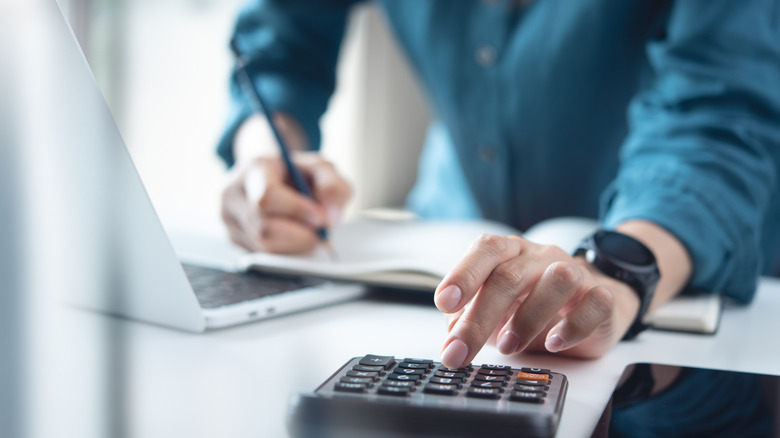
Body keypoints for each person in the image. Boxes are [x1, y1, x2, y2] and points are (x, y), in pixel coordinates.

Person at [218, 0, 780, 368]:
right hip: (444, 236)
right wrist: (267, 157)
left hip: (681, 259)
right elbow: (280, 45)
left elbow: (718, 114)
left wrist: (620, 268)